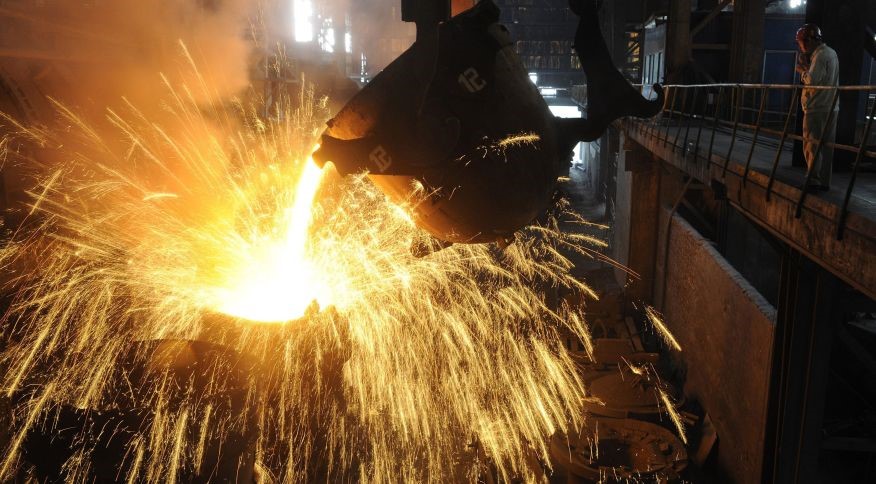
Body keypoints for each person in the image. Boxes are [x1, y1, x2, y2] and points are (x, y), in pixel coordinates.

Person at [795, 23, 839, 192]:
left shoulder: (820, 55)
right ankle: (824, 181)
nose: (801, 46)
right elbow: (824, 77)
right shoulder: (831, 53)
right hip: (831, 106)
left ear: (808, 40)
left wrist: (802, 71)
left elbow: (813, 80)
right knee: (827, 146)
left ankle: (813, 180)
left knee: (812, 145)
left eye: (801, 42)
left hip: (817, 106)